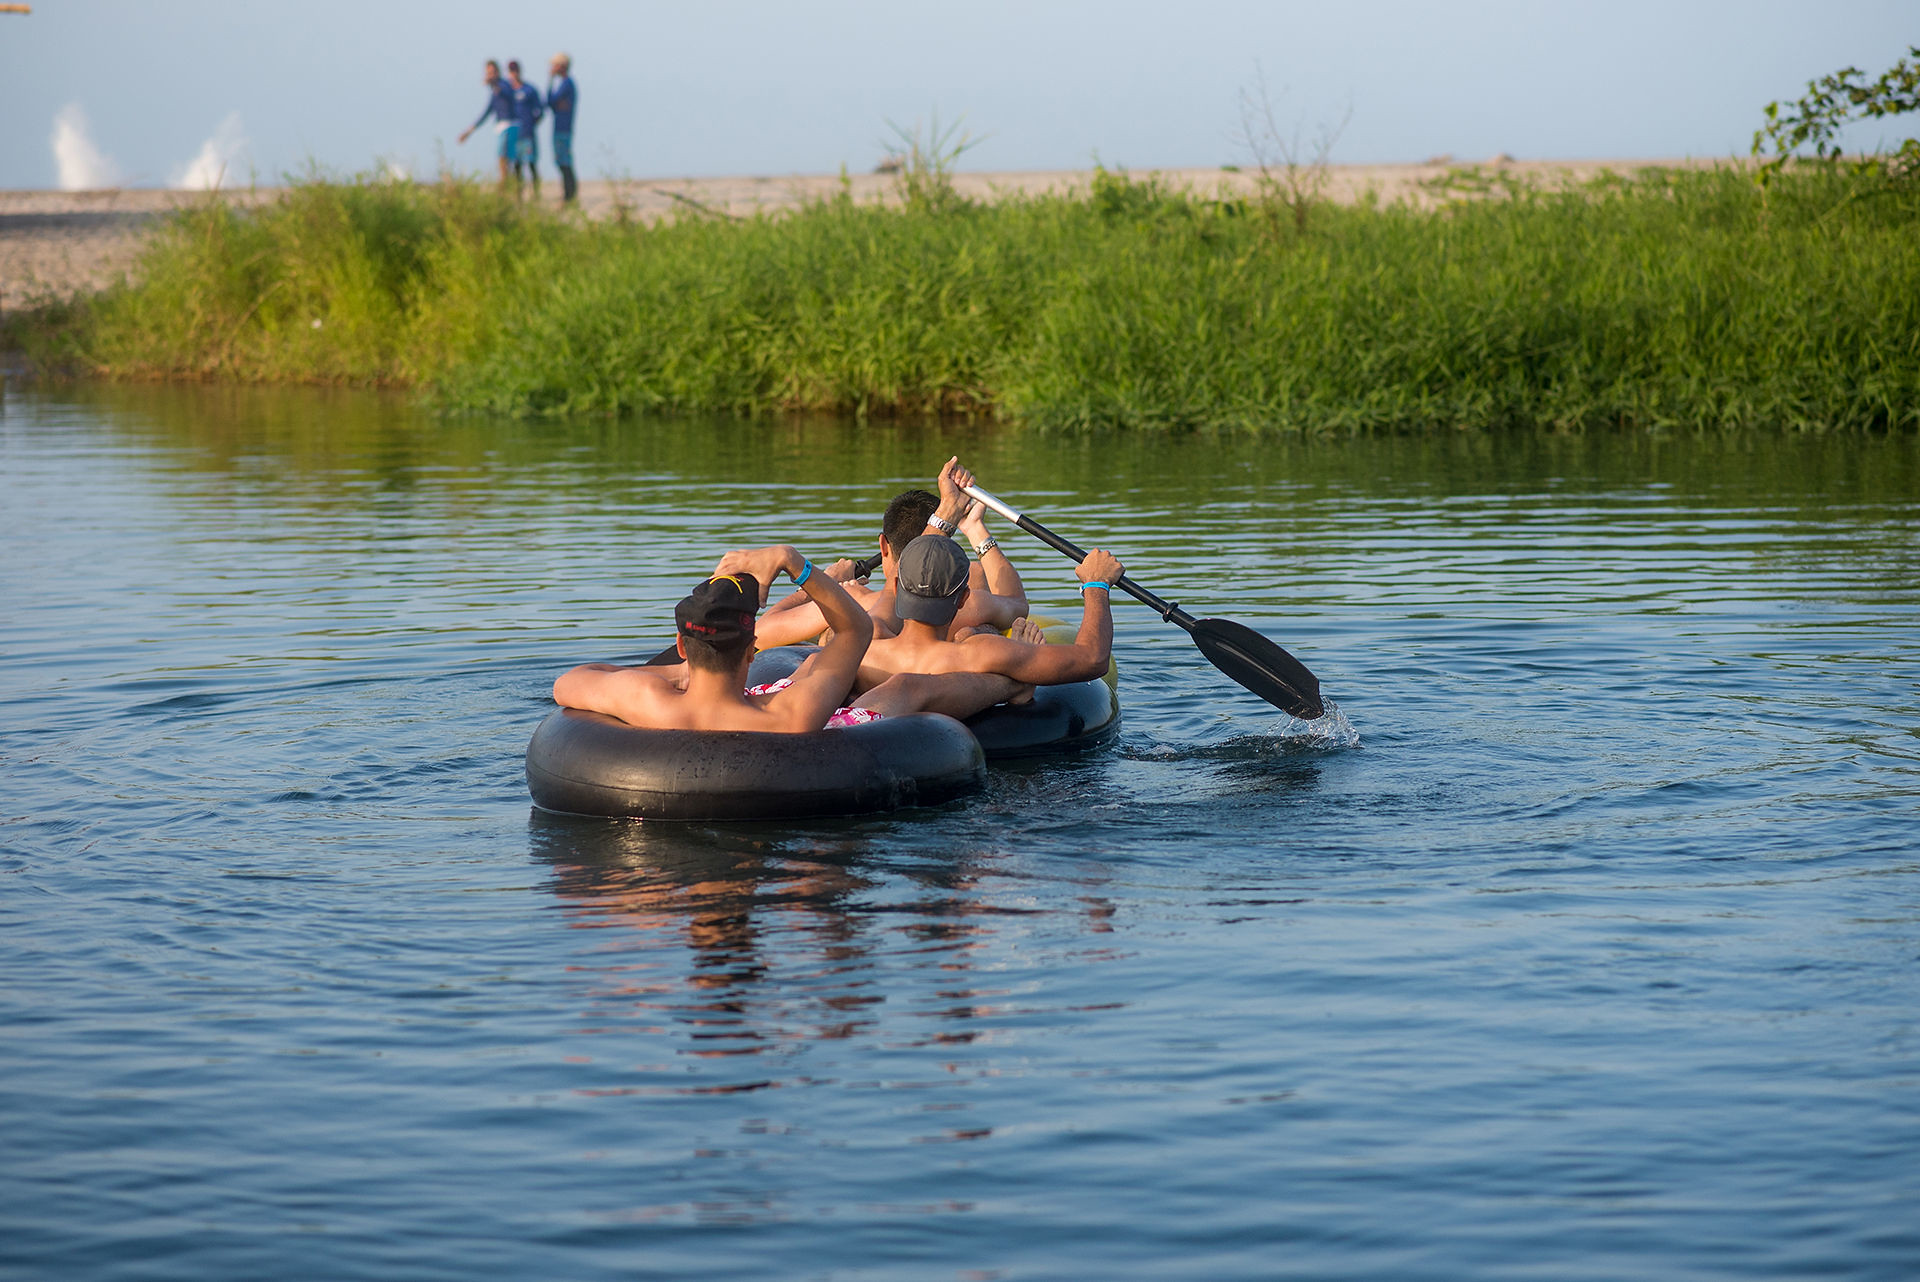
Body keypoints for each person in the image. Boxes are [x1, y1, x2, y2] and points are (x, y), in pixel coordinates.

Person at [552, 545, 1026, 733]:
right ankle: (1012, 683)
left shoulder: (643, 697)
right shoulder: (791, 716)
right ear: (753, 647)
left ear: (682, 647)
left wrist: (678, 675)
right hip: (797, 746)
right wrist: (791, 562)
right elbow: (855, 630)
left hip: (684, 696)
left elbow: (568, 684)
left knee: (809, 666)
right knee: (906, 689)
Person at [755, 457, 1029, 648]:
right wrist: (975, 528)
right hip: (951, 671)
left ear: (884, 545)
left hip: (877, 683)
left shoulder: (855, 599)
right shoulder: (969, 592)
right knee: (979, 632)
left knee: (828, 636)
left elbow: (761, 633)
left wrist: (823, 583)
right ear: (947, 545)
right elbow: (1017, 603)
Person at [852, 533, 1125, 697]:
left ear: (897, 586)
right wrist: (1096, 584)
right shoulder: (978, 653)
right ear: (964, 598)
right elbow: (1093, 659)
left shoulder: (861, 652)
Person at [456, 60, 518, 192]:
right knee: (504, 161)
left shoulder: (504, 85)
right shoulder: (494, 93)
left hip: (510, 127)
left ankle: (505, 190)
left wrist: (494, 83)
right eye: (487, 73)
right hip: (502, 128)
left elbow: (507, 94)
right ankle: (507, 189)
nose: (489, 75)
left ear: (497, 72)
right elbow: (485, 113)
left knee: (504, 160)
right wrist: (468, 132)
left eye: (491, 72)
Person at [506, 60, 544, 198]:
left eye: (515, 70)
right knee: (516, 167)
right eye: (511, 71)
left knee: (532, 164)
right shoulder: (508, 91)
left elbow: (540, 110)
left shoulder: (530, 90)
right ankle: (518, 197)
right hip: (514, 135)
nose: (513, 73)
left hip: (528, 134)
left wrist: (532, 123)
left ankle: (536, 195)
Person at [547, 53, 579, 204]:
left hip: (563, 128)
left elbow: (550, 101)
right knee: (561, 161)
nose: (552, 68)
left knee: (564, 161)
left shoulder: (567, 84)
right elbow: (551, 103)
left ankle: (569, 195)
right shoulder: (566, 84)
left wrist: (550, 80)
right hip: (560, 127)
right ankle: (568, 194)